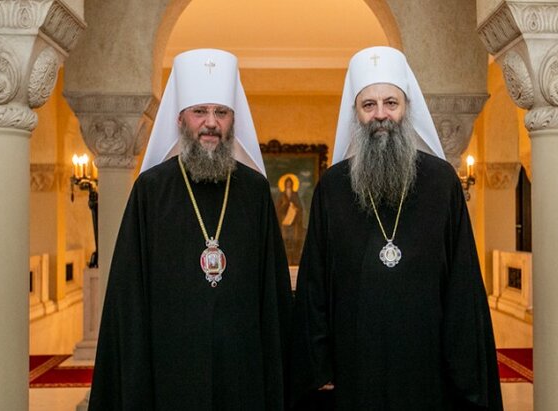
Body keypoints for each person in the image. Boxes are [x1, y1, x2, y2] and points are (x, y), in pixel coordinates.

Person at [290, 46, 503, 410]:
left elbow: (462, 285)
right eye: (368, 105)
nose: (381, 115)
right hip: (353, 365)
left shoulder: (442, 182)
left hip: (427, 365)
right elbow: (314, 286)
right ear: (355, 115)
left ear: (406, 110)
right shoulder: (334, 187)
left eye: (391, 102)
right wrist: (318, 365)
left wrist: (462, 370)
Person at [88, 48, 293, 410]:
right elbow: (129, 298)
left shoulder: (255, 191)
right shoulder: (151, 190)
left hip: (242, 375)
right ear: (181, 118)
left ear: (233, 120)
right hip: (169, 374)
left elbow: (272, 297)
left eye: (221, 112)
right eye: (200, 111)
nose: (211, 123)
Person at [276, 175, 304, 265]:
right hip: (284, 222)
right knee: (285, 241)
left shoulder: (295, 194)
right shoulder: (282, 195)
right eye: (287, 183)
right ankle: (286, 260)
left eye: (290, 183)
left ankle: (294, 260)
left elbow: (300, 208)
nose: (288, 184)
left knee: (294, 240)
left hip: (294, 223)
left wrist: (295, 208)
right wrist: (285, 205)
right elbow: (277, 209)